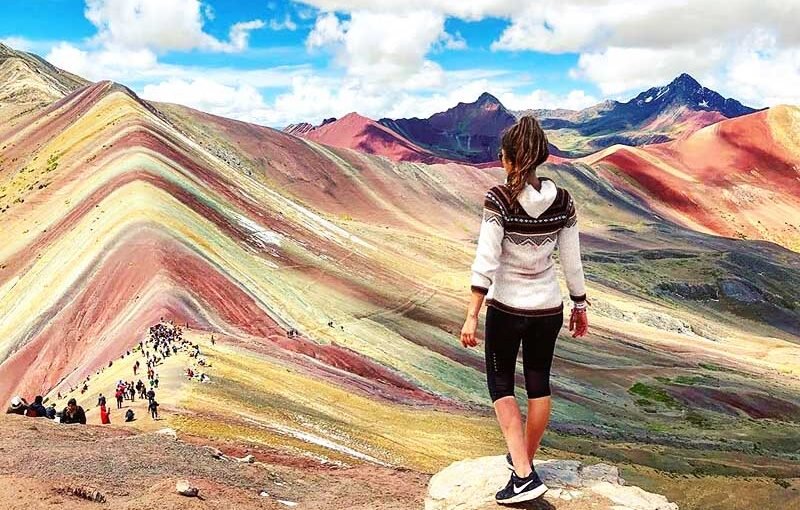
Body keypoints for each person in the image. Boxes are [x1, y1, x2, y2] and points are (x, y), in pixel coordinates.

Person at [461, 116, 590, 505]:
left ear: (509, 158)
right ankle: (524, 464)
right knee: (539, 384)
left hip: (506, 307)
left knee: (501, 386)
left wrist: (471, 313)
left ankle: (522, 476)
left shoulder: (499, 199)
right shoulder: (563, 201)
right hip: (548, 309)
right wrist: (579, 305)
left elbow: (486, 259)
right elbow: (572, 261)